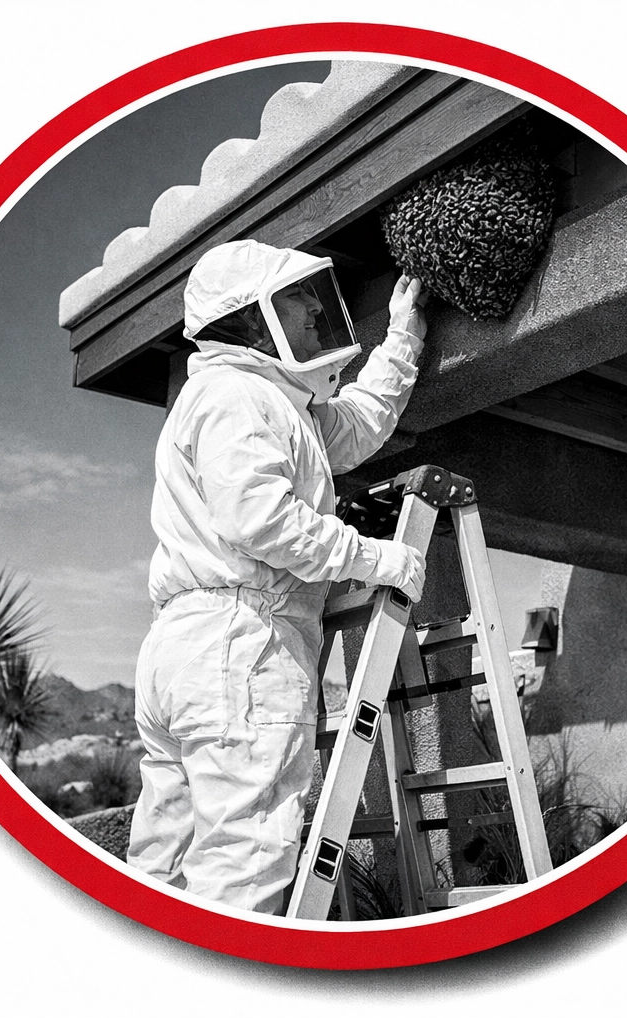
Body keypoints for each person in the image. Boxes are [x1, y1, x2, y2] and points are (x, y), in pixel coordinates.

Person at [126, 239, 428, 915]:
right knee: (243, 871)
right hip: (239, 644)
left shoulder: (268, 402)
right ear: (251, 317)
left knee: (163, 870)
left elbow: (355, 425)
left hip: (194, 650)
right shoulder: (238, 396)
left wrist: (402, 338)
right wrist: (382, 559)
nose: (314, 316)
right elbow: (264, 522)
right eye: (297, 301)